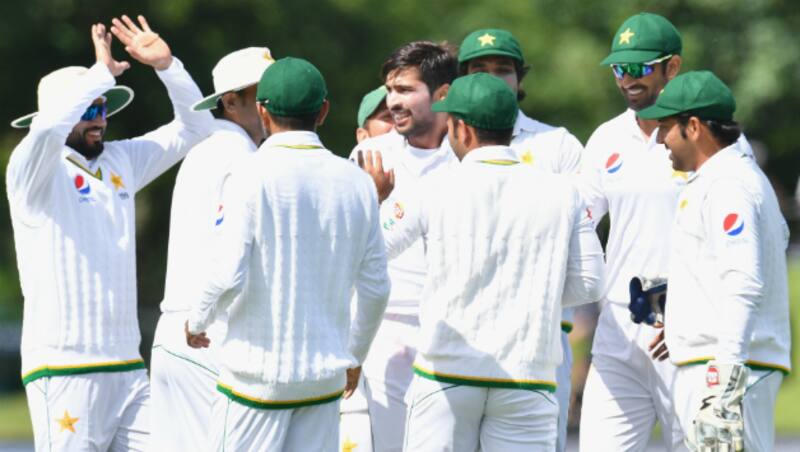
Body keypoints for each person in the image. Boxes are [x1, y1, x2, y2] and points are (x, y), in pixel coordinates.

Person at [360, 72, 604, 450]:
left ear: (463, 129)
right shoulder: (562, 193)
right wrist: (532, 294)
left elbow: (372, 251)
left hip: (446, 374)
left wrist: (374, 200)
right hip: (529, 375)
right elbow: (589, 284)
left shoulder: (432, 189)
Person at [6, 15, 212, 451]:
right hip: (63, 371)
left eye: (104, 107)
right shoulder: (31, 173)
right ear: (64, 115)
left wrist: (167, 66)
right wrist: (99, 72)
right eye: (89, 110)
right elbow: (46, 130)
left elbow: (197, 128)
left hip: (127, 369)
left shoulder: (120, 161)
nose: (101, 119)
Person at [185, 57, 391, 452]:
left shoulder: (248, 174)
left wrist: (198, 320)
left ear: (262, 110)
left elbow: (228, 273)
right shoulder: (358, 183)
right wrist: (354, 355)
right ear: (324, 110)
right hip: (321, 380)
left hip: (255, 381)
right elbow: (376, 289)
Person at [638, 70, 791, 452]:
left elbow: (744, 281)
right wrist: (685, 314)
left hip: (726, 370)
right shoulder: (725, 177)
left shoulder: (728, 184)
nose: (659, 140)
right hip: (722, 364)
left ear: (693, 126)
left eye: (666, 127)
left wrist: (724, 377)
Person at [457, 28, 584, 451]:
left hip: (538, 338)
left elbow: (579, 232)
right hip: (461, 334)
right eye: (480, 70)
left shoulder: (557, 144)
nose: (493, 79)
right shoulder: (450, 141)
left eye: (502, 70)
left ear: (519, 78)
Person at [149, 46, 274, 451]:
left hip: (178, 332)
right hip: (205, 333)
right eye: (262, 93)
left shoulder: (213, 149)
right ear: (231, 101)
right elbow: (231, 260)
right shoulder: (239, 156)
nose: (273, 103)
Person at [349, 40, 457, 452]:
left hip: (452, 329)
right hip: (386, 330)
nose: (393, 102)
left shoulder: (468, 154)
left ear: (443, 93)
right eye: (390, 90)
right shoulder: (369, 153)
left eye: (406, 90)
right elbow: (347, 249)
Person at [340, 84, 396, 452]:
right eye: (384, 118)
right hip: (357, 337)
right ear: (362, 134)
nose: (394, 126)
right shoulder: (345, 181)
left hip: (407, 341)